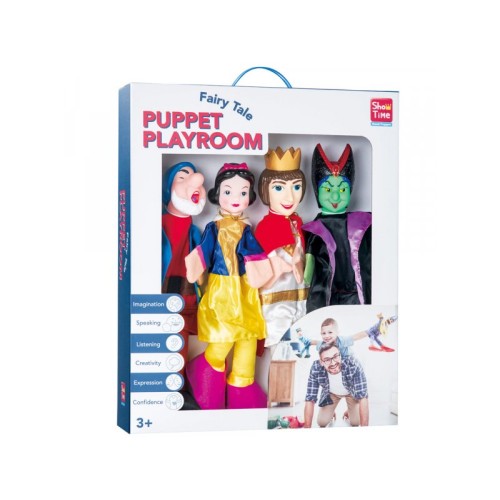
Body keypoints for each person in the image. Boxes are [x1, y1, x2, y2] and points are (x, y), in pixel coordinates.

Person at [184, 163, 272, 410]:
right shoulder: (214, 227)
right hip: (222, 290)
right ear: (217, 194)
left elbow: (254, 254)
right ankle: (203, 376)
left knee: (247, 339)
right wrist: (195, 266)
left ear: (250, 197)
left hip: (245, 290)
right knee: (224, 339)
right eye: (228, 191)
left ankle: (242, 385)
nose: (236, 198)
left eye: (243, 192)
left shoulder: (246, 229)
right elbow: (205, 250)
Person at [303, 144, 371, 313]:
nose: (335, 196)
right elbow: (308, 271)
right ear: (317, 192)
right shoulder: (314, 229)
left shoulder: (364, 223)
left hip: (357, 294)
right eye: (327, 189)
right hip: (327, 295)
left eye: (342, 189)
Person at [161, 162, 206, 409]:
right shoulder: (159, 224)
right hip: (162, 294)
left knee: (182, 345)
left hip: (187, 297)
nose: (194, 182)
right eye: (182, 177)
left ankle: (178, 391)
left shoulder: (194, 230)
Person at [254, 147, 308, 348]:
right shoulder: (265, 228)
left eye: (296, 187)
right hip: (276, 300)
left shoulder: (297, 223)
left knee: (301, 345)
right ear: (265, 190)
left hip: (300, 297)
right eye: (279, 188)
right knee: (279, 346)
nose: (290, 197)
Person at [304, 342, 369, 427]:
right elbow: (310, 398)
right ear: (321, 362)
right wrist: (306, 429)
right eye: (327, 359)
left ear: (340, 356)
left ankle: (349, 412)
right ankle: (331, 412)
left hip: (351, 393)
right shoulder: (316, 368)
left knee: (355, 422)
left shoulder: (353, 364)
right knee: (321, 422)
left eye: (335, 356)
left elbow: (363, 397)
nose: (333, 363)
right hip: (332, 394)